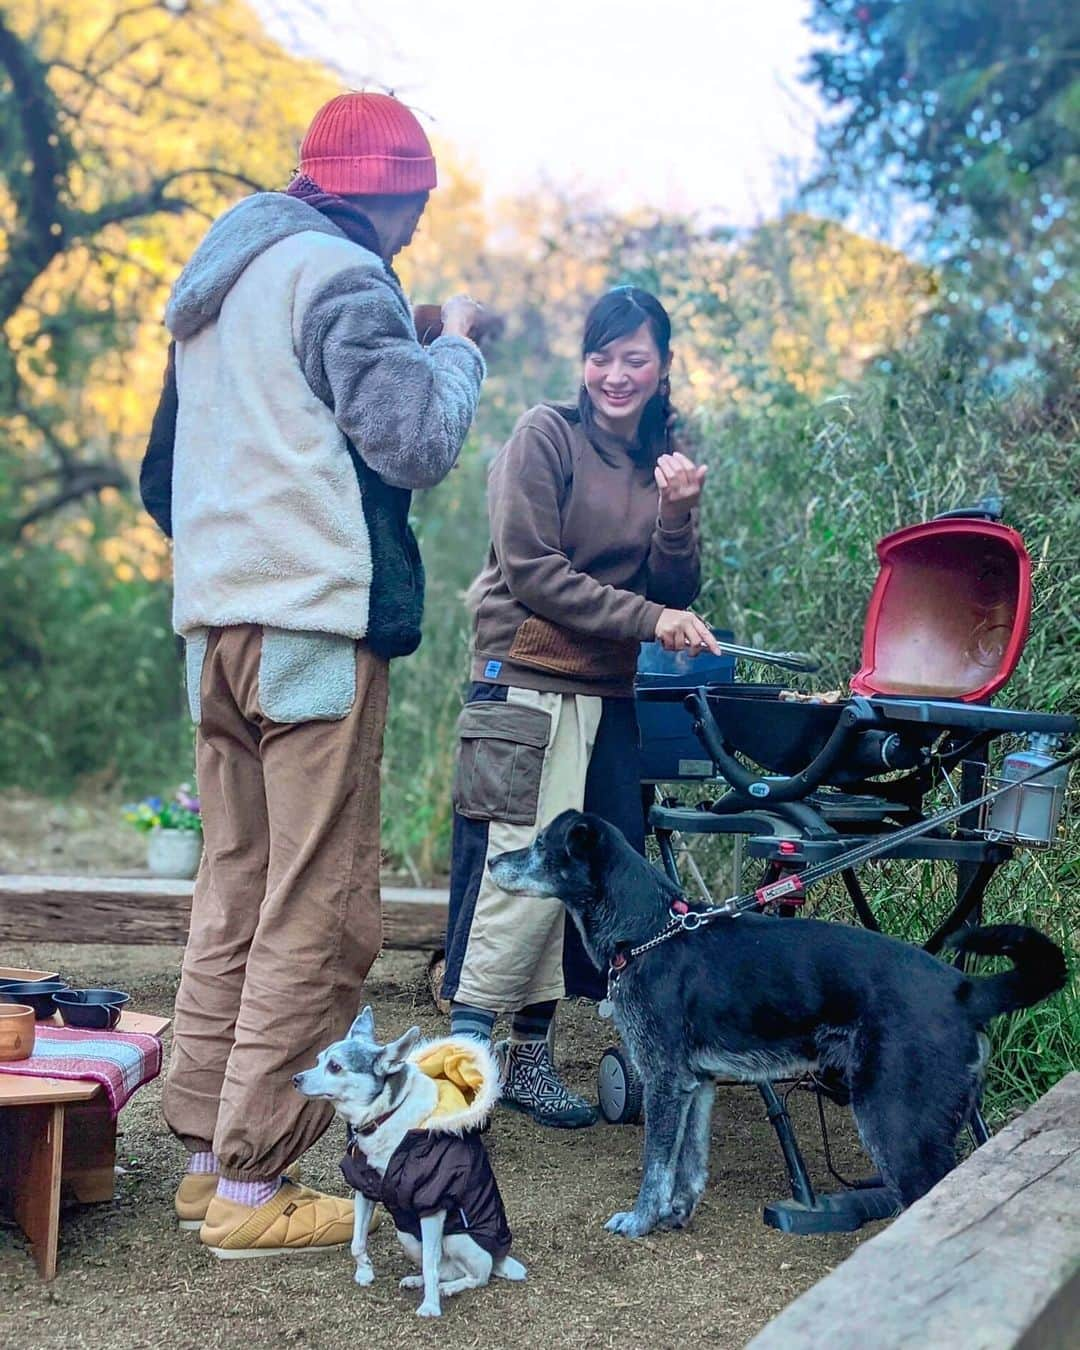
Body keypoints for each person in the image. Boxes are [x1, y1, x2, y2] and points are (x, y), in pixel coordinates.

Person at [140, 92, 486, 1257]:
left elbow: (160, 482)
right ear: (386, 191)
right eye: (418, 205)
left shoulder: (218, 290)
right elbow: (417, 441)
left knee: (232, 886)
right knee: (320, 904)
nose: (416, 231)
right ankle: (254, 1189)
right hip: (310, 629)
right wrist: (457, 348)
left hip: (214, 635)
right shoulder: (341, 275)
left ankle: (202, 1153)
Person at [440, 285, 720, 1127]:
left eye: (635, 358)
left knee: (583, 886)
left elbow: (676, 589)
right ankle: (459, 1086)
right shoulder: (545, 435)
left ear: (663, 366)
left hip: (611, 696)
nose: (615, 374)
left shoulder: (663, 460)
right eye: (601, 356)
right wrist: (651, 619)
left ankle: (528, 1064)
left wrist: (677, 518)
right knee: (506, 876)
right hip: (525, 679)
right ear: (583, 362)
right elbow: (532, 571)